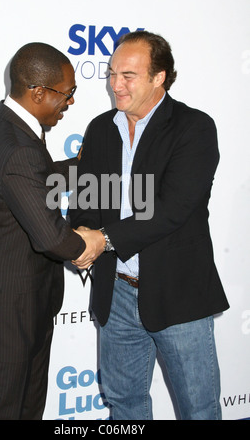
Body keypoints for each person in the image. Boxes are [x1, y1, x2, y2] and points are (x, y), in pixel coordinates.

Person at [70, 31, 230, 420]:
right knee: (125, 408)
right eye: (112, 74)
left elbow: (173, 210)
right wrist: (79, 237)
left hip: (179, 296)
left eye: (128, 76)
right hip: (117, 293)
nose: (115, 84)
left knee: (199, 411)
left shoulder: (193, 128)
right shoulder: (101, 128)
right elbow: (87, 199)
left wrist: (102, 239)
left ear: (159, 78)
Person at [0, 42, 102, 420]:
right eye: (66, 93)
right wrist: (92, 243)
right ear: (38, 92)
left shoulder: (2, 126)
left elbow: (33, 180)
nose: (69, 102)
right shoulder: (16, 144)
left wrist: (82, 166)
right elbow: (53, 237)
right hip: (8, 316)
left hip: (22, 307)